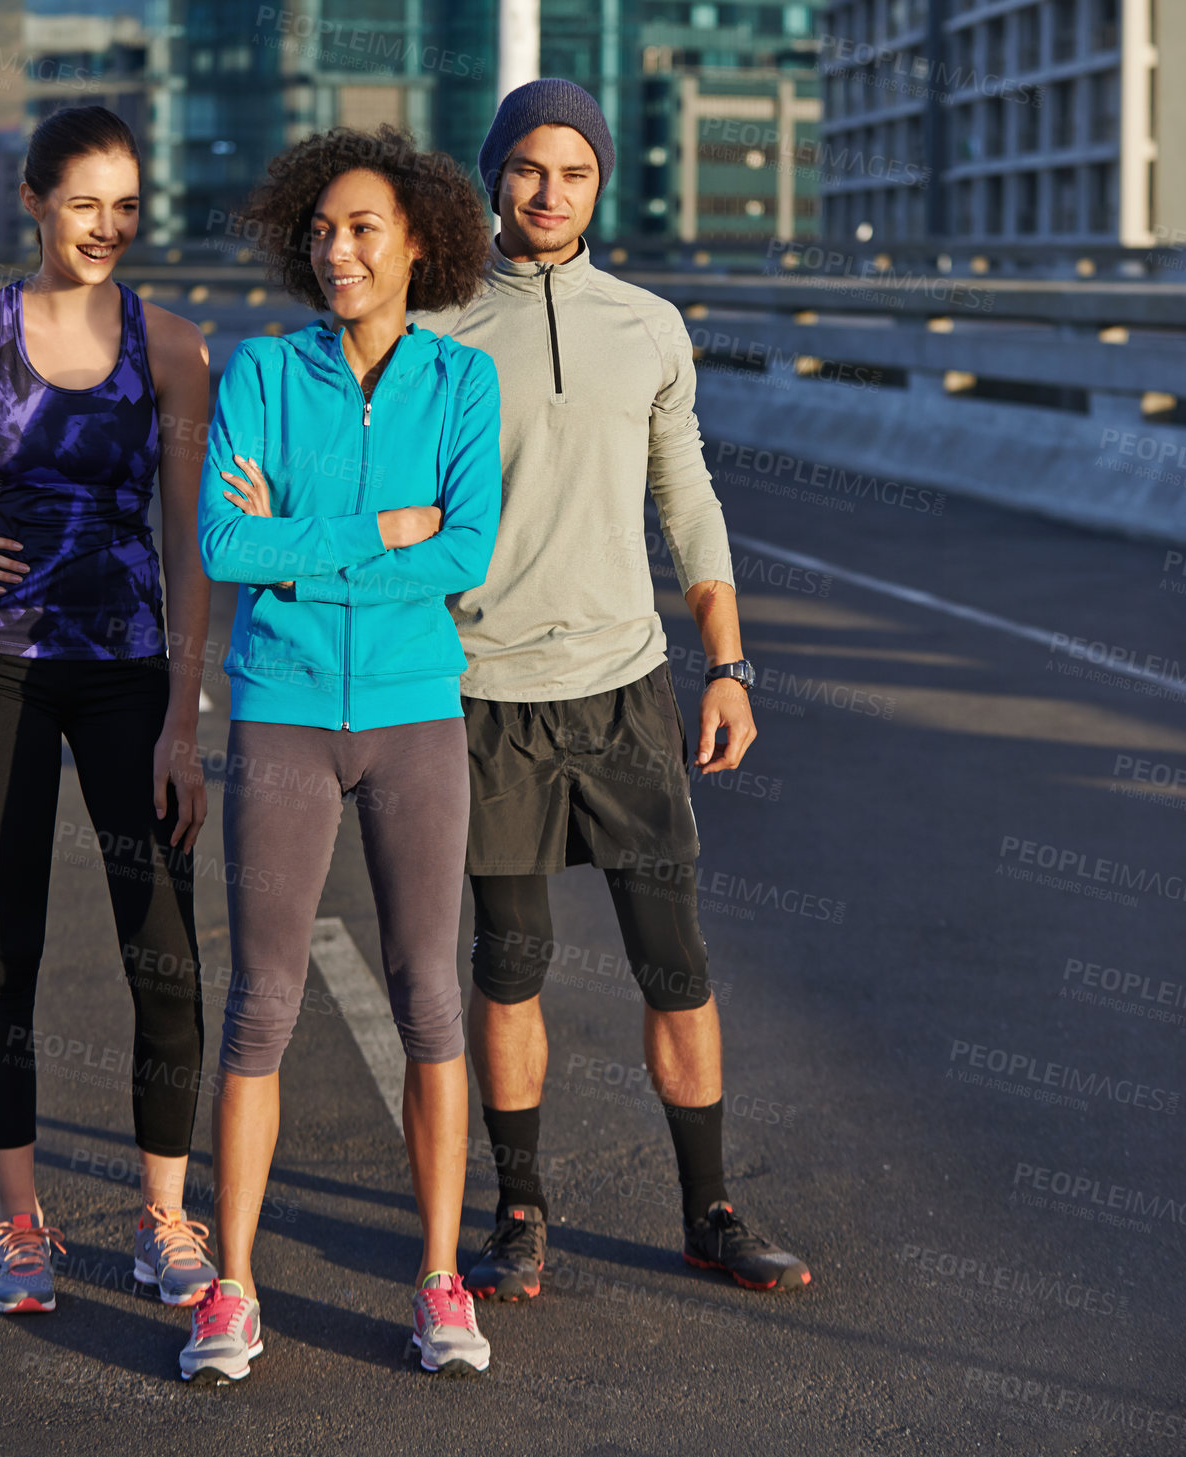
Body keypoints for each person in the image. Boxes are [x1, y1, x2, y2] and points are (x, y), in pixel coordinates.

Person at [418, 79, 813, 1301]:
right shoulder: (435, 323)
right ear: (494, 176)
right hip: (481, 693)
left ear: (600, 182)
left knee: (674, 965)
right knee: (511, 962)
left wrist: (730, 663)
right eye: (529, 169)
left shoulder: (647, 323)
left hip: (623, 687)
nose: (549, 192)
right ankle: (519, 1209)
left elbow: (685, 498)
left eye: (573, 171)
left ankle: (711, 1209)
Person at [0, 107, 219, 1315]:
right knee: (7, 945)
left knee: (161, 949)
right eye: (83, 204)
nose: (107, 227)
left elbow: (187, 532)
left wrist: (183, 705)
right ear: (32, 201)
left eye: (126, 205)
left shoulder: (170, 346)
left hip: (127, 672)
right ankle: (20, 1224)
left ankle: (164, 1215)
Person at [180, 125, 501, 1384]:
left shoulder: (460, 384)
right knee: (262, 1003)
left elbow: (463, 550)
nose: (338, 249)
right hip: (283, 708)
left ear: (419, 241)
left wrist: (309, 541)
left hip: (417, 713)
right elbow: (221, 542)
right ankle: (232, 1287)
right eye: (320, 230)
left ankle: (437, 1276)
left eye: (364, 228)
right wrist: (380, 527)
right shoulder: (262, 372)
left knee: (431, 995)